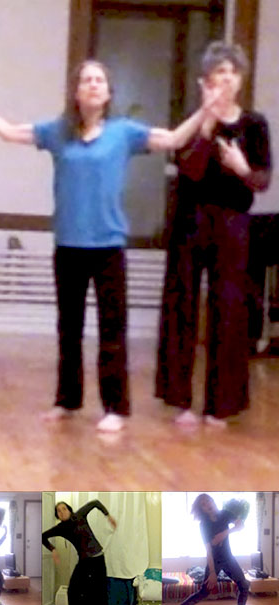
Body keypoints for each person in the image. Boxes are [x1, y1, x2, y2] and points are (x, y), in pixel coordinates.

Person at [0, 60, 223, 431]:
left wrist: (206, 108)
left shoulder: (124, 133)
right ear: (76, 91)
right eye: (86, 80)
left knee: (112, 330)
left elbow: (172, 139)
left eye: (100, 80)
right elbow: (10, 132)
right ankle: (66, 400)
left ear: (108, 92)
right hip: (68, 245)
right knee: (68, 328)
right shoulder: (58, 132)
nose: (93, 85)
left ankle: (115, 408)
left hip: (108, 246)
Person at [155, 41, 272, 427]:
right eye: (219, 72)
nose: (226, 78)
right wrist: (205, 123)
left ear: (240, 80)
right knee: (182, 304)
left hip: (234, 223)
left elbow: (262, 180)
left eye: (232, 72)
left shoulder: (255, 124)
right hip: (190, 220)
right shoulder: (192, 120)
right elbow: (187, 169)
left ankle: (220, 405)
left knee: (229, 309)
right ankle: (181, 400)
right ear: (206, 79)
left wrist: (241, 167)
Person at [165, 494, 249, 605]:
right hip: (214, 560)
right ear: (201, 510)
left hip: (228, 558)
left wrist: (228, 531)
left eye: (208, 501)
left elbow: (240, 526)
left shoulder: (225, 514)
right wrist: (212, 572)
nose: (207, 505)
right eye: (203, 504)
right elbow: (209, 550)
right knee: (204, 592)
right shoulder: (204, 525)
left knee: (244, 585)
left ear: (213, 501)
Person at [42, 500, 117, 605]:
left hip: (98, 558)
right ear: (57, 515)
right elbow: (43, 536)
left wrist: (108, 515)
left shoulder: (79, 515)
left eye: (64, 509)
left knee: (101, 590)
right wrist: (53, 549)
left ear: (69, 510)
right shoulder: (60, 528)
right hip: (84, 561)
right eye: (58, 511)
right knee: (72, 590)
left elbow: (95, 503)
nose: (61, 512)